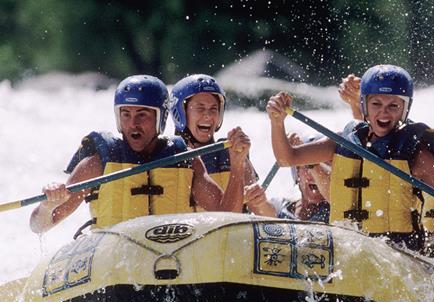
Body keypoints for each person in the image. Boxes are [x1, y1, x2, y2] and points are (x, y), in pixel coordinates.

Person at [266, 64, 434, 252]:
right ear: (364, 105)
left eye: (393, 106)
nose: (384, 112)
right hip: (346, 245)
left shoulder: (418, 155)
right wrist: (277, 122)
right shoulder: (343, 142)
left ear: (404, 109)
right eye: (376, 104)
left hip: (398, 251)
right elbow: (287, 158)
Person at [30, 75, 250, 234]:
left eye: (142, 115)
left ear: (160, 118)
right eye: (126, 114)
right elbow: (39, 226)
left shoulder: (186, 159)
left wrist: (238, 165)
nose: (132, 124)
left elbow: (227, 216)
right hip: (114, 261)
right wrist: (49, 203)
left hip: (173, 256)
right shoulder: (96, 164)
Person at [170, 74, 259, 211]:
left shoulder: (233, 153)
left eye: (213, 109)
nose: (208, 115)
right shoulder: (171, 156)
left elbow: (259, 207)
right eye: (200, 108)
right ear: (181, 113)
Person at [244, 133, 331, 222]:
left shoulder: (337, 209)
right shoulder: (281, 206)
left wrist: (308, 161)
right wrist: (242, 158)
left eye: (323, 168)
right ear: (297, 173)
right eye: (306, 167)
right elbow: (263, 210)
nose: (313, 175)